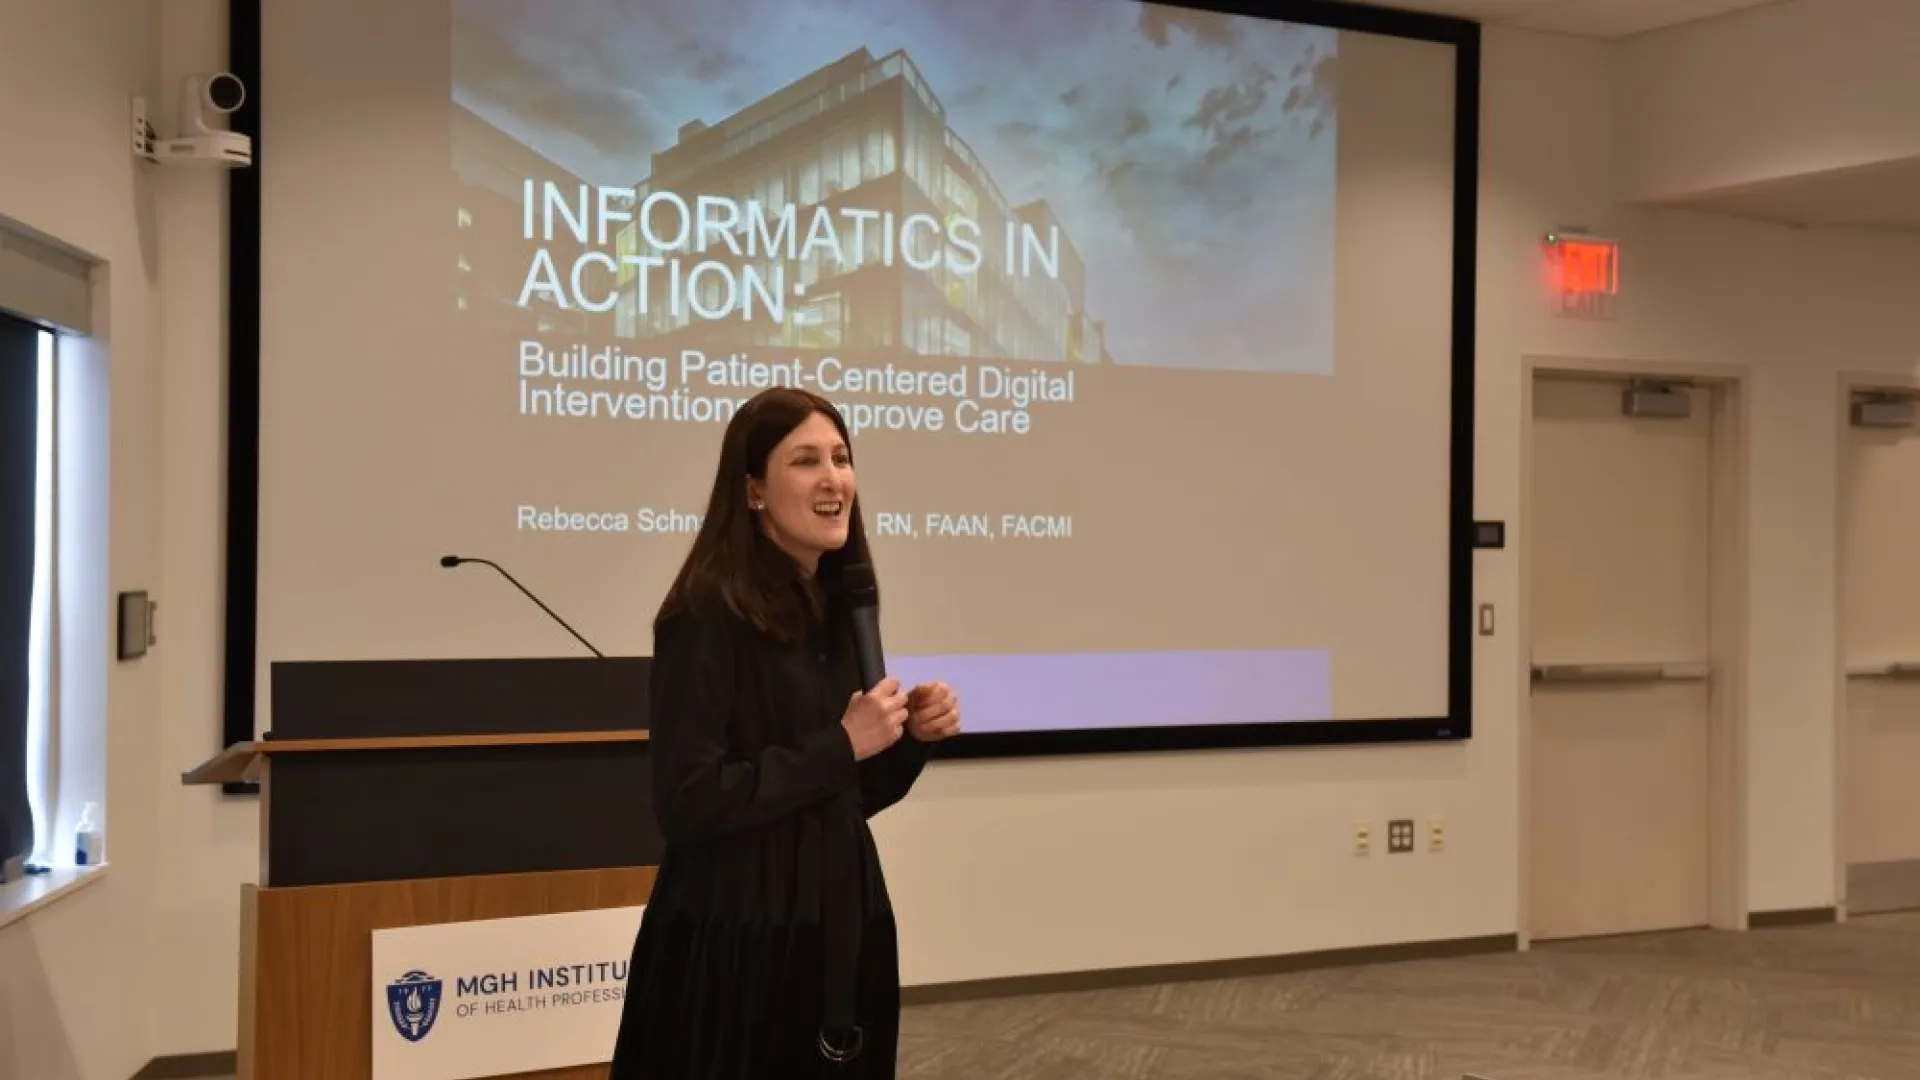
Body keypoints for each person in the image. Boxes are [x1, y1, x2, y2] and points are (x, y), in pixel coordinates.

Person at [608, 386, 961, 1079]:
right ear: (753, 492)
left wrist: (910, 738)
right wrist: (841, 742)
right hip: (739, 943)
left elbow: (846, 794)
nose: (834, 479)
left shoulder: (839, 609)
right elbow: (689, 800)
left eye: (841, 457)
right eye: (805, 461)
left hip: (835, 930)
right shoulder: (706, 613)